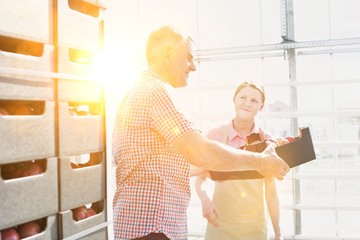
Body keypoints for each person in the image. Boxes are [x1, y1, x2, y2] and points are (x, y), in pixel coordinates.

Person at [111, 25, 289, 240]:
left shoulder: (136, 93)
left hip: (141, 225)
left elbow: (170, 165)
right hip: (153, 228)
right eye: (188, 57)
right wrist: (259, 161)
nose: (193, 66)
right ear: (168, 54)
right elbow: (201, 152)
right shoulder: (157, 92)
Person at [195, 82, 283, 240]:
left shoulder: (268, 142)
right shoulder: (215, 136)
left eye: (254, 100)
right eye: (243, 97)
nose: (247, 103)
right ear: (234, 99)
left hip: (254, 230)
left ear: (261, 107)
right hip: (219, 227)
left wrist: (277, 233)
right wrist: (204, 199)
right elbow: (200, 178)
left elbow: (271, 192)